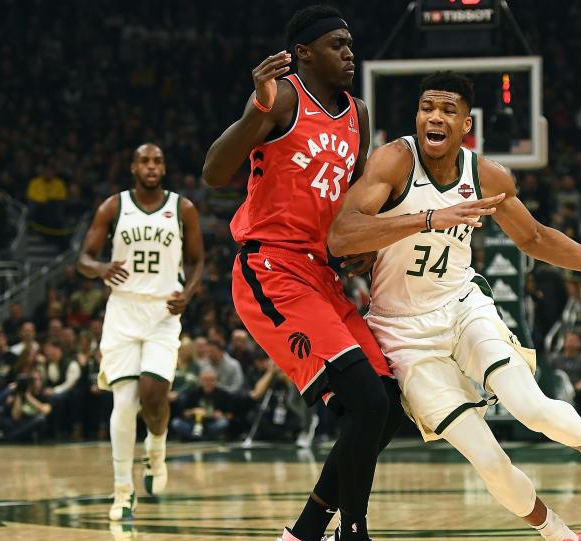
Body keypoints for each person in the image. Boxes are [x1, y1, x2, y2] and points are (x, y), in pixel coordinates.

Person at [327, 71, 581, 540]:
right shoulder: (394, 162)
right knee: (489, 462)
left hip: (463, 307)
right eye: (427, 107)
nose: (435, 116)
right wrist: (428, 217)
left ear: (465, 125)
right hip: (402, 334)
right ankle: (558, 533)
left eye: (448, 110)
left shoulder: (486, 176)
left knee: (533, 408)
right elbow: (342, 234)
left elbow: (532, 237)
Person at [203, 6, 404, 541]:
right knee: (364, 401)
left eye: (351, 44)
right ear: (304, 53)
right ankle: (353, 531)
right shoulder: (283, 97)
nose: (349, 53)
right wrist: (253, 114)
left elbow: (353, 206)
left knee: (387, 407)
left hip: (322, 274)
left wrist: (364, 245)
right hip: (271, 268)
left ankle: (307, 531)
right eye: (337, 44)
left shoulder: (358, 114)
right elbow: (215, 172)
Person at [77, 143, 205, 520]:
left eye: (158, 161)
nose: (151, 166)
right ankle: (122, 491)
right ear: (133, 167)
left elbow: (198, 260)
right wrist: (100, 269)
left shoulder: (183, 208)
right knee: (123, 403)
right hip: (123, 309)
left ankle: (157, 447)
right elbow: (83, 259)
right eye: (145, 161)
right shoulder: (113, 207)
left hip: (164, 310)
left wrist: (190, 293)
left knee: (153, 394)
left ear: (163, 168)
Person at [0, 371, 52, 442]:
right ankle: (16, 436)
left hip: (29, 423)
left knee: (41, 419)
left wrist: (28, 396)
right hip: (16, 424)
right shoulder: (16, 393)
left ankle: (8, 438)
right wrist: (18, 395)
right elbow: (16, 417)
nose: (35, 382)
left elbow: (46, 411)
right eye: (32, 380)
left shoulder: (42, 394)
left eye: (37, 379)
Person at [170, 368, 233, 441]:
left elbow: (230, 416)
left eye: (211, 380)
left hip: (212, 424)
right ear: (201, 381)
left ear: (216, 381)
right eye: (205, 380)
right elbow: (184, 413)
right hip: (194, 424)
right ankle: (202, 437)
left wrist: (221, 415)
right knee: (176, 423)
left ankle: (197, 437)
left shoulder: (223, 394)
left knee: (223, 423)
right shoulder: (193, 393)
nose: (208, 382)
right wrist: (193, 411)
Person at [550, 331, 581, 422]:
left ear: (578, 343)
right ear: (564, 342)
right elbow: (551, 376)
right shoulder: (556, 360)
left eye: (574, 340)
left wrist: (574, 388)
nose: (571, 343)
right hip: (560, 389)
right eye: (569, 340)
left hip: (576, 389)